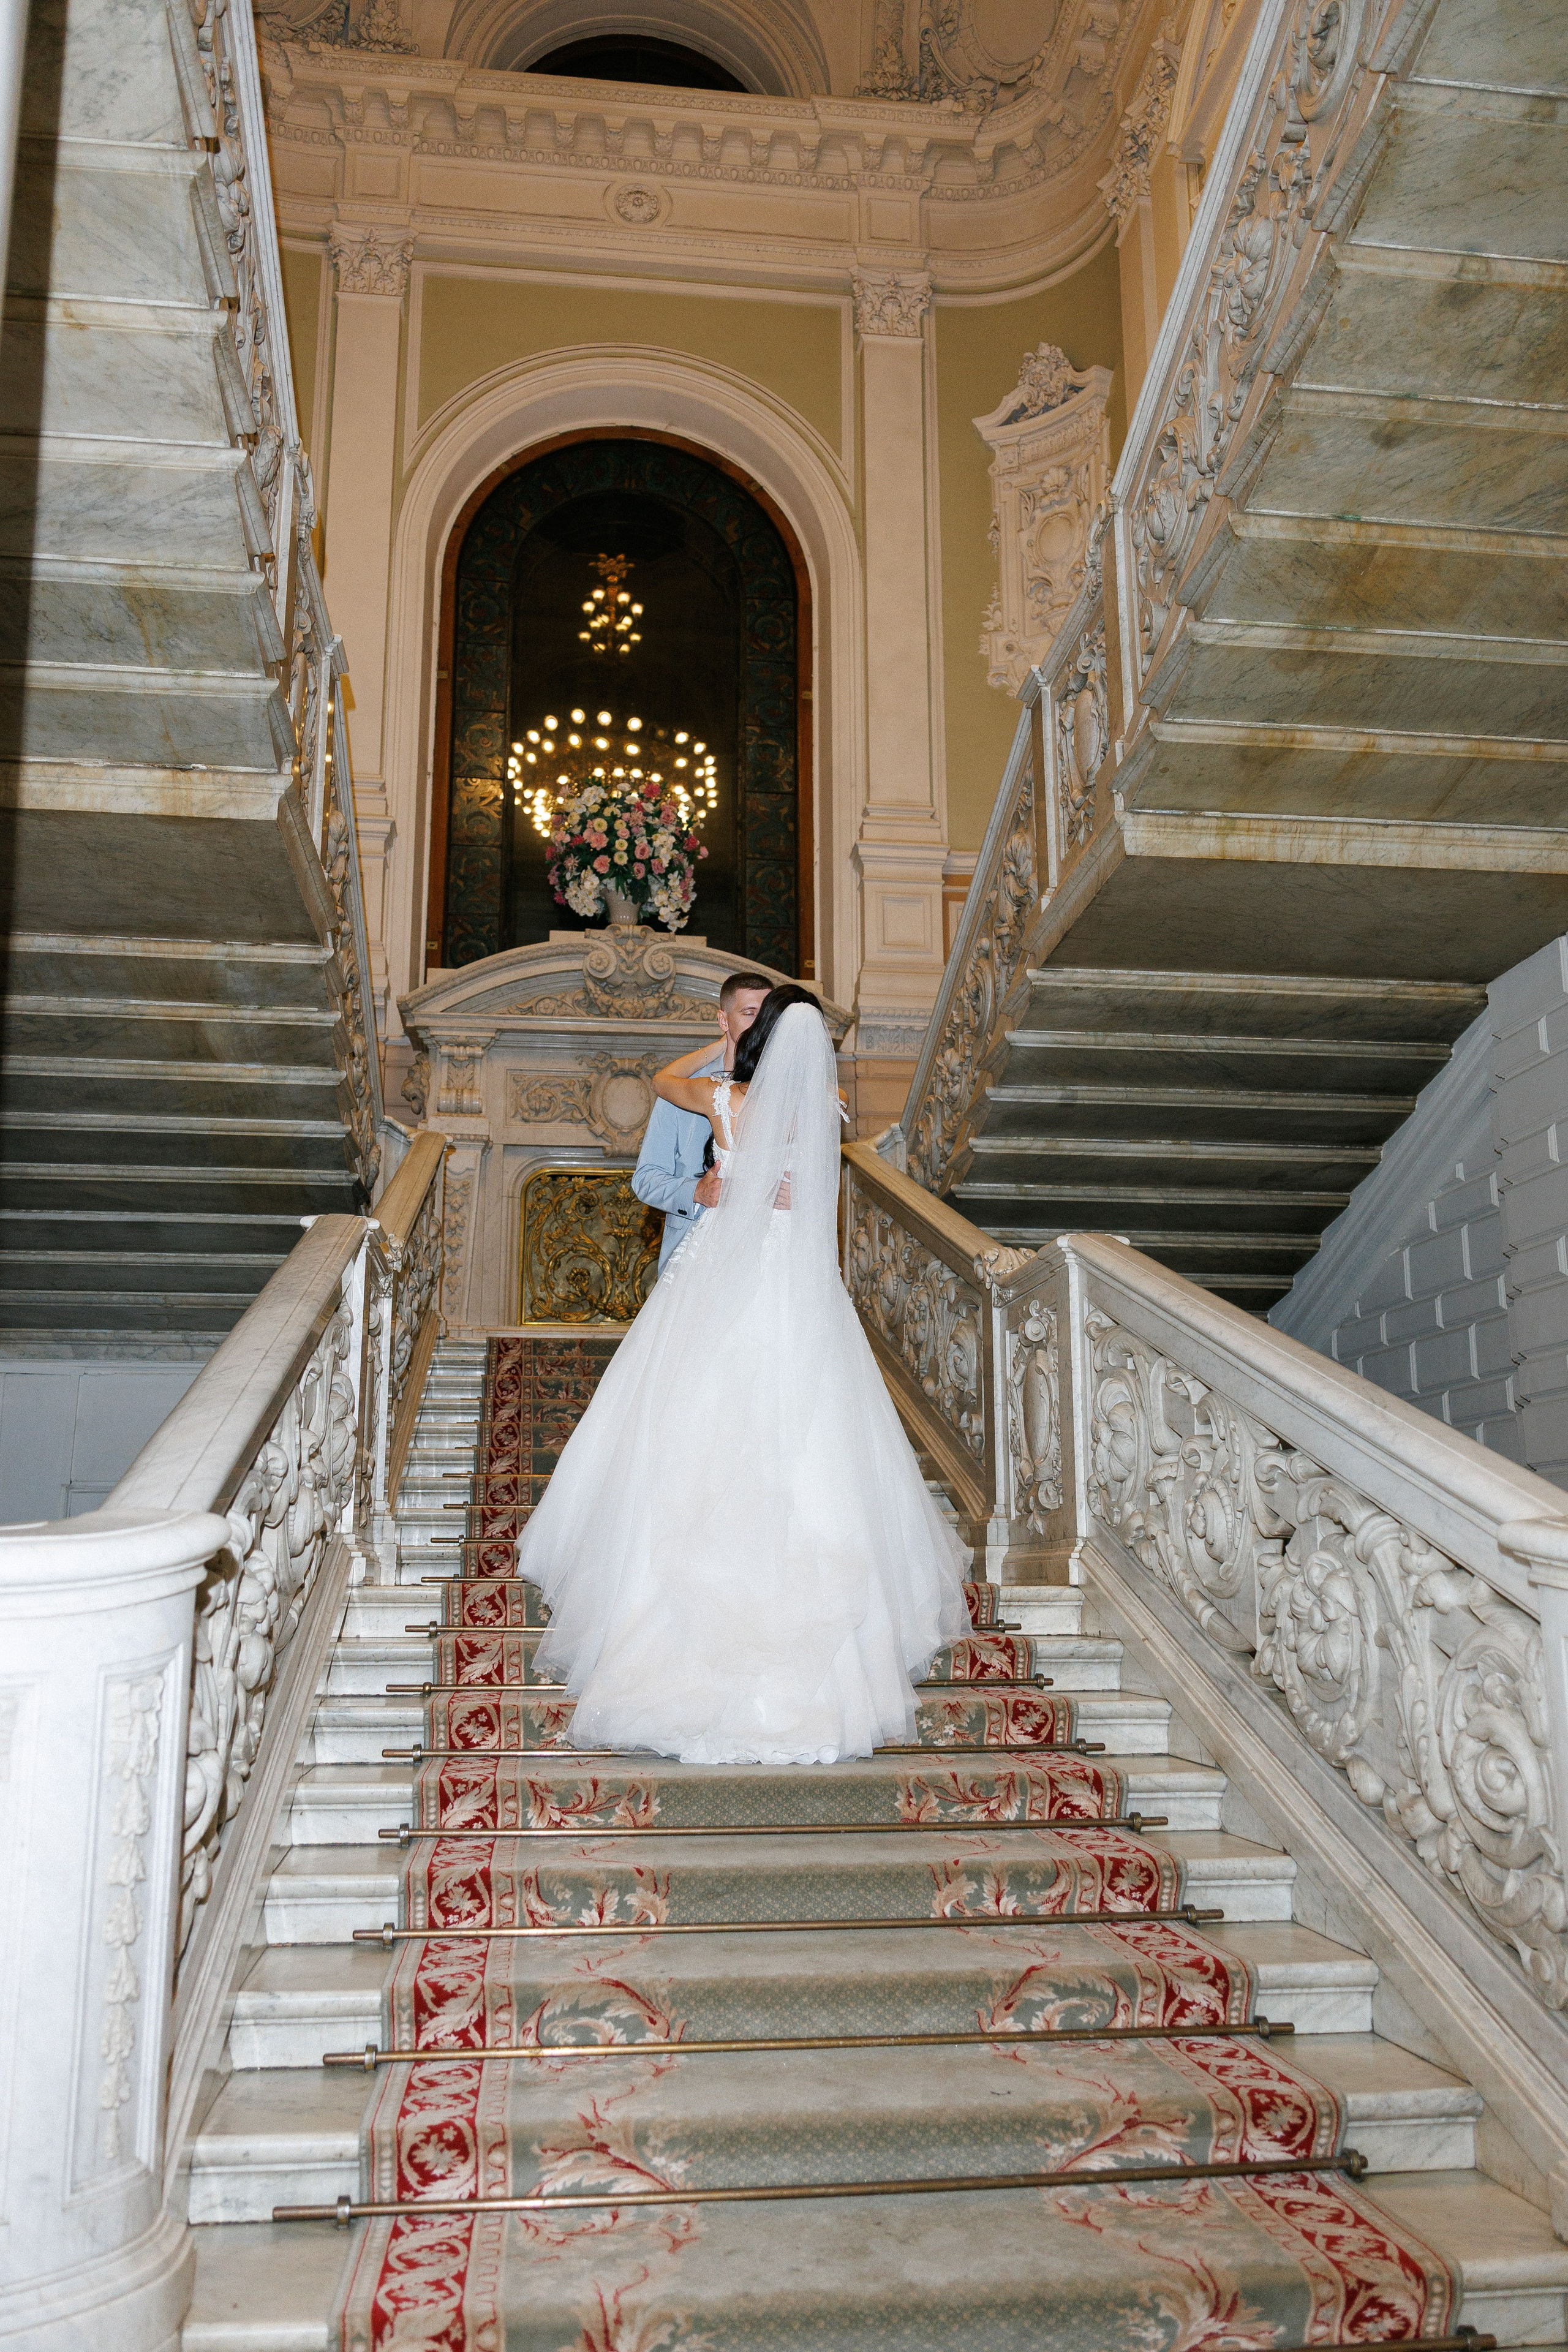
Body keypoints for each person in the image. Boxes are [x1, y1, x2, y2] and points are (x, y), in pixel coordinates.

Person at [518, 985, 971, 1765]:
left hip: (725, 1278)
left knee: (696, 1435)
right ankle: (820, 1673)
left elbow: (663, 1080)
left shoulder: (723, 1100)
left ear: (755, 1036)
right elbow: (804, 1196)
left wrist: (730, 1055)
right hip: (795, 1289)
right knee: (806, 1445)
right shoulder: (823, 1108)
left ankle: (669, 1639)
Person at [630, 970, 772, 1272]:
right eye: (749, 1013)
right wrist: (696, 1192)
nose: (761, 1025)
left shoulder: (785, 1088)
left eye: (768, 1015)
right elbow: (646, 1179)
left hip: (767, 1255)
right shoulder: (684, 1087)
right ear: (724, 1020)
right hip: (692, 1259)